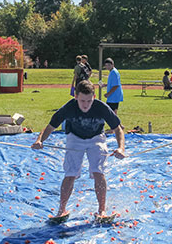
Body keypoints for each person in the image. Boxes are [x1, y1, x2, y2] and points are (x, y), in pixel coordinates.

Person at [31, 80, 126, 221]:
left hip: (96, 138)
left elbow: (118, 129)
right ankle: (61, 210)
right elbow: (50, 126)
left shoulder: (101, 107)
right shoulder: (69, 107)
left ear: (93, 97)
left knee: (98, 171)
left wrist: (121, 148)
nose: (86, 105)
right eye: (82, 101)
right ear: (75, 97)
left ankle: (102, 211)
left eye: (89, 100)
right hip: (75, 138)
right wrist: (40, 140)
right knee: (71, 173)